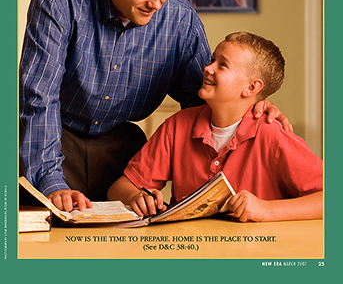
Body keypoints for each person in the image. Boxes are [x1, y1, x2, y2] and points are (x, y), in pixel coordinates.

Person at [19, 0, 291, 212]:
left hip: (123, 153)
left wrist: (252, 110)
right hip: (52, 140)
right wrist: (51, 182)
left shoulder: (180, 19)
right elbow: (39, 97)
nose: (158, 4)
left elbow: (205, 101)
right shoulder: (60, 0)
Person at [108, 32, 323, 223]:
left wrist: (267, 210)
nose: (207, 68)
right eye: (212, 60)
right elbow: (120, 188)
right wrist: (135, 197)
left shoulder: (271, 134)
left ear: (251, 87)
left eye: (223, 65)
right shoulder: (177, 125)